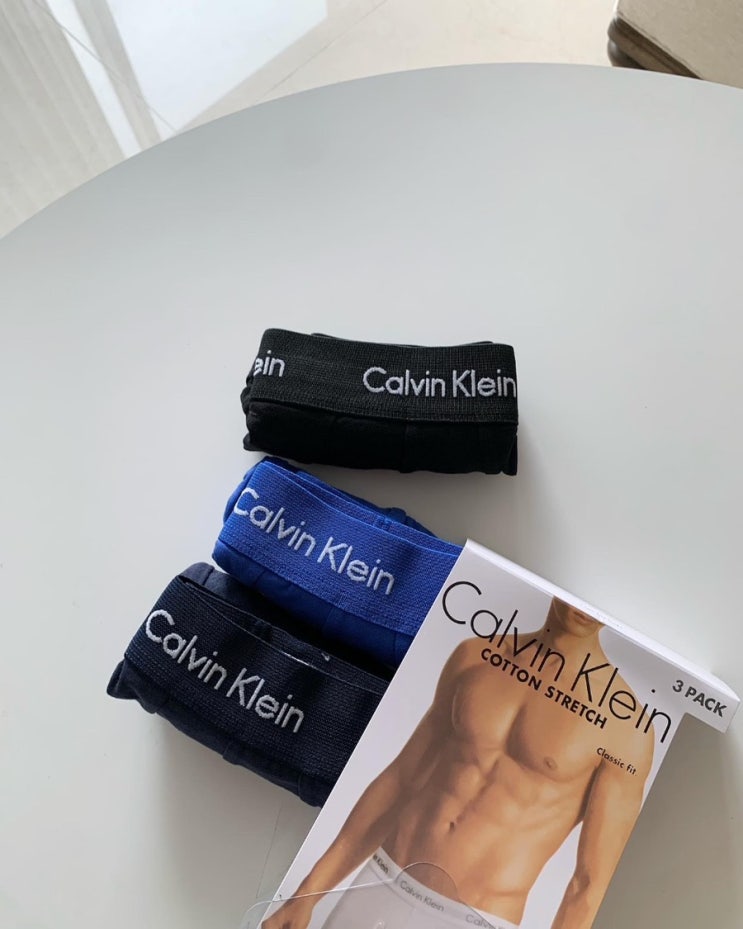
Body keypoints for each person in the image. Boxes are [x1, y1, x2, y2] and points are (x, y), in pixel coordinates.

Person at [262, 598, 654, 929]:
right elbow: (400, 780)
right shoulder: (477, 655)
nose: (588, 608)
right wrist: (306, 894)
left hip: (478, 917)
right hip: (382, 880)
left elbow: (588, 884)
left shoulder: (625, 726)